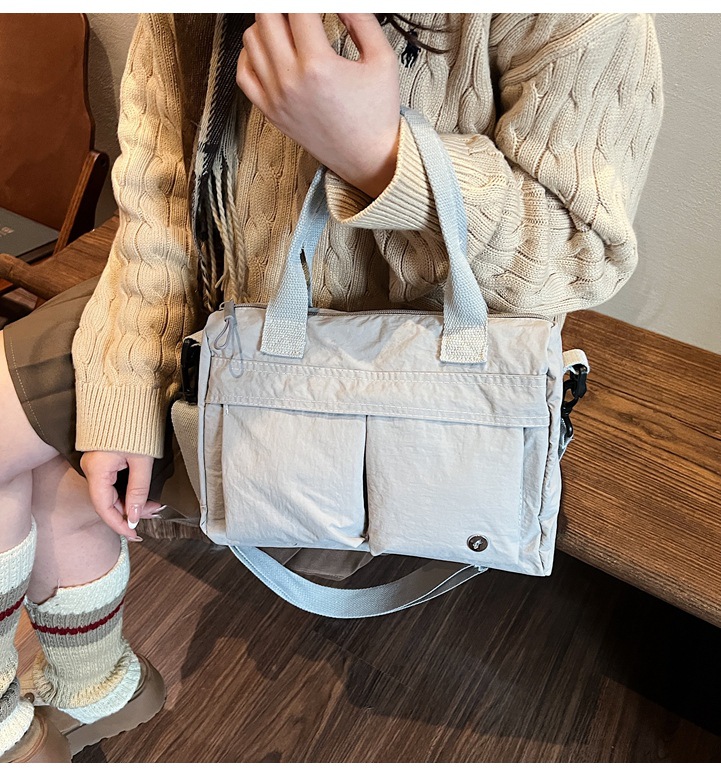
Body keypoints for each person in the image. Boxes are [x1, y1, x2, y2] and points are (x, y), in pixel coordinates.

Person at [0, 13, 664, 761]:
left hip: (380, 402)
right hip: (210, 328)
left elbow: (579, 254)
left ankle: (80, 702)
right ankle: (87, 697)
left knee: (45, 472)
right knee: (59, 461)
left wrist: (382, 157)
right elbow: (162, 194)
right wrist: (124, 388)